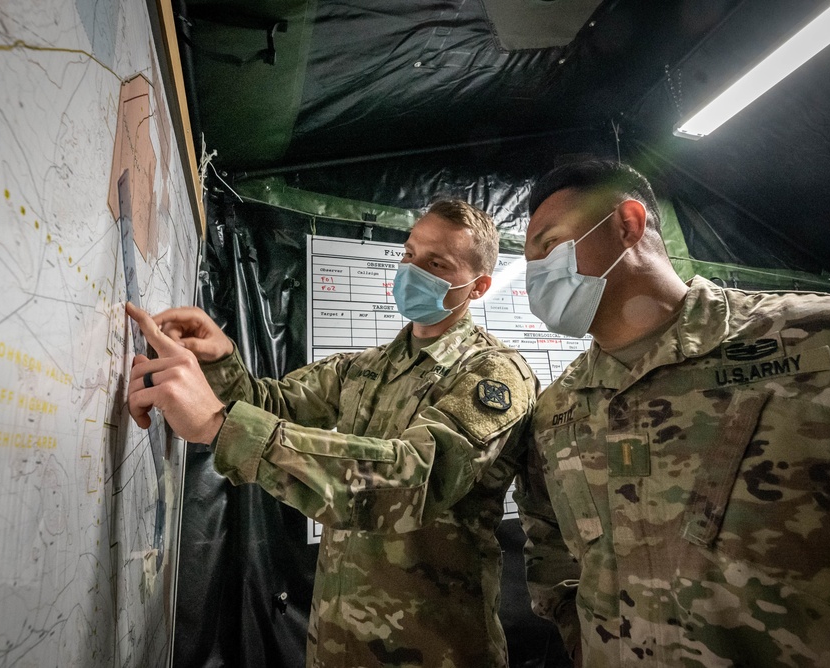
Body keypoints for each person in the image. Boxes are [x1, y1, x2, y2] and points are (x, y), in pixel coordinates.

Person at [514, 158, 830, 666]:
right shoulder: (558, 407)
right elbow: (547, 538)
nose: (537, 273)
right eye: (529, 261)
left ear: (628, 224)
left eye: (548, 244)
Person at [126, 199, 538, 668]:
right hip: (337, 643)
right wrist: (221, 360)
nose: (411, 269)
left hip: (434, 650)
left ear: (478, 286)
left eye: (435, 263)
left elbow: (413, 478)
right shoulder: (365, 367)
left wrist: (221, 427)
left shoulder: (496, 375)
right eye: (408, 254)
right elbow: (273, 405)